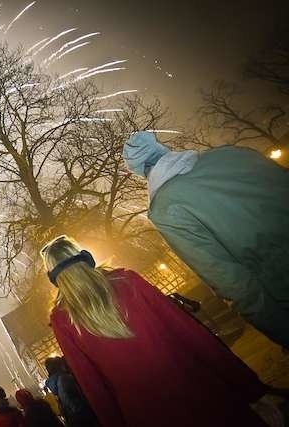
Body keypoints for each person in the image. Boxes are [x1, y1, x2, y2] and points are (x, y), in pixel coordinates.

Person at [41, 235, 273, 427]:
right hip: (202, 393)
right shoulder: (127, 280)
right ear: (83, 256)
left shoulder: (62, 320)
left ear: (53, 276)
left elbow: (93, 386)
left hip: (148, 415)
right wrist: (249, 386)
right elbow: (191, 333)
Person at [122, 131, 289, 348]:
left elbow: (228, 279)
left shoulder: (165, 209)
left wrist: (282, 330)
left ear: (138, 171)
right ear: (161, 147)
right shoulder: (231, 154)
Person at [44, 357, 97, 427]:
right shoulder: (63, 378)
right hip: (82, 415)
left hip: (71, 417)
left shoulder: (55, 383)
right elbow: (70, 400)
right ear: (59, 366)